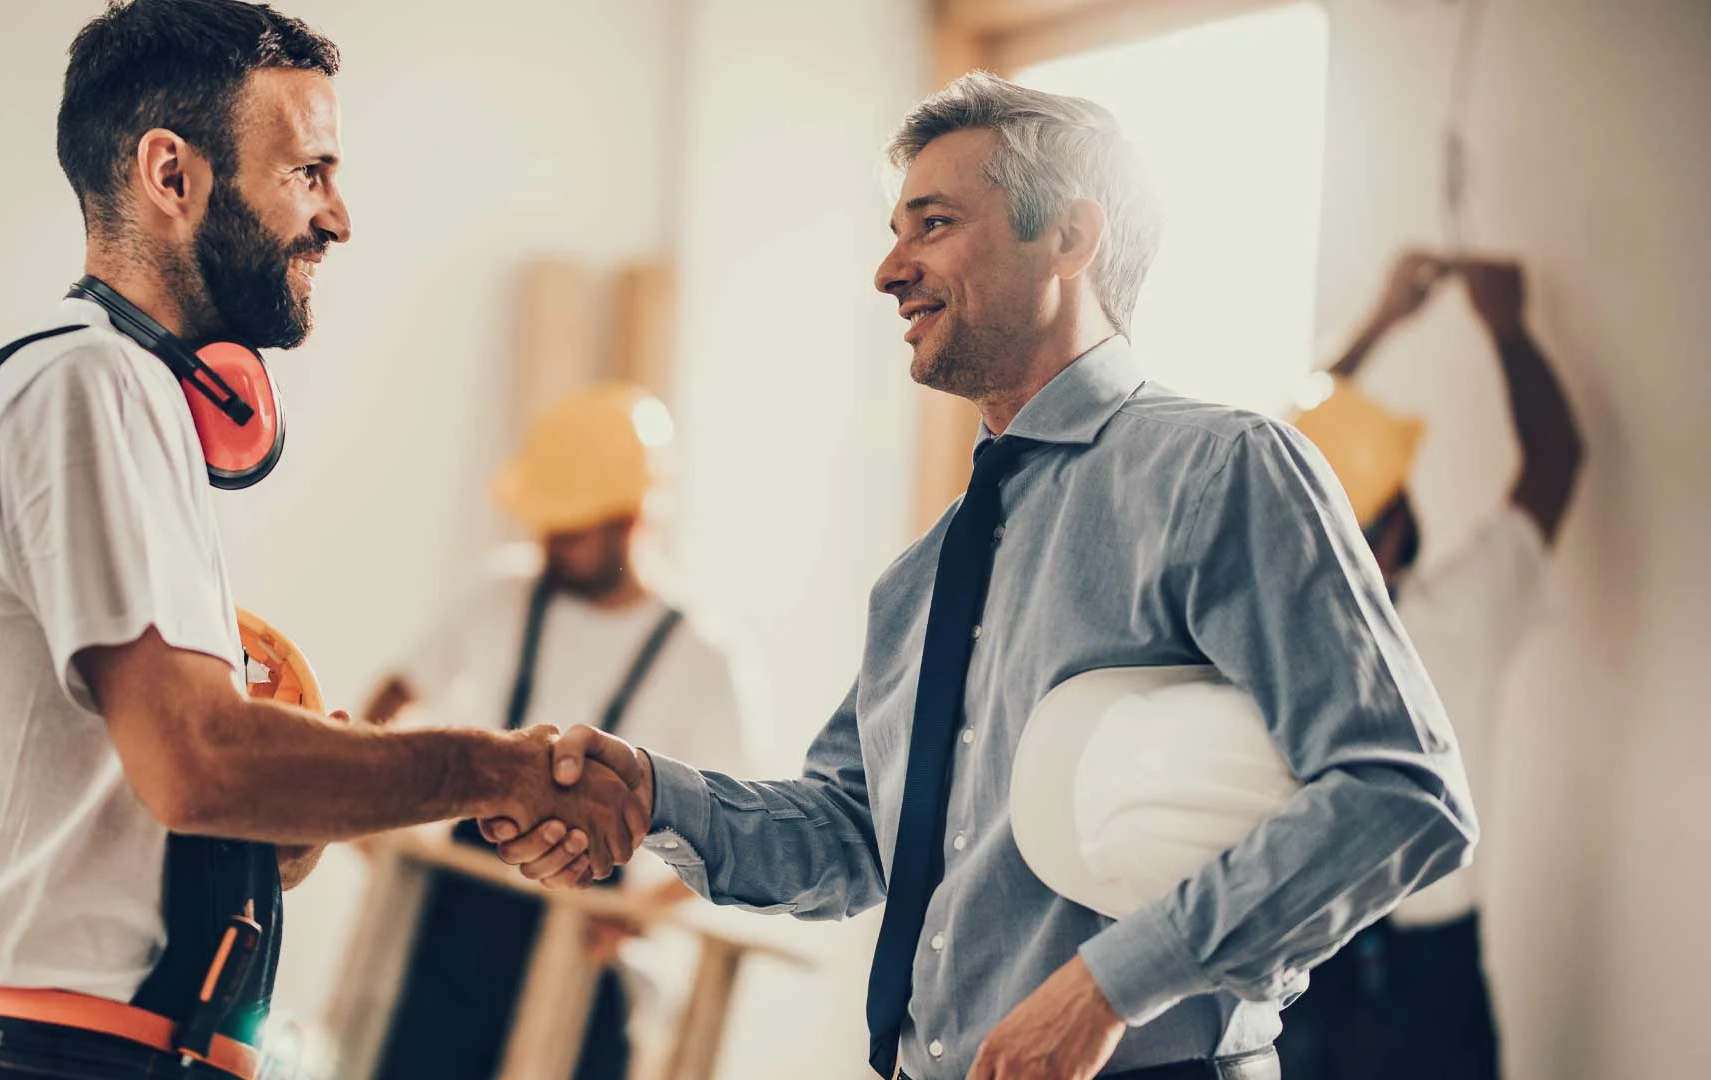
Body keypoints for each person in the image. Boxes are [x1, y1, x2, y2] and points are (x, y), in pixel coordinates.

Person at [491, 72, 1479, 1080]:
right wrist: (653, 795)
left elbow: (1400, 791)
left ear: (1070, 238)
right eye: (895, 232)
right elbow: (854, 835)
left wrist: (1108, 988)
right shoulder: (924, 575)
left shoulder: (1220, 473)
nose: (889, 270)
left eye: (934, 224)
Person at [0, 4, 642, 1078]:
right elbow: (198, 762)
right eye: (308, 173)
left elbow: (169, 789)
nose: (339, 219)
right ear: (172, 175)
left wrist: (276, 808)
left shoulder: (125, 393)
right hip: (49, 1054)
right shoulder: (89, 385)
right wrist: (493, 769)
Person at [361, 383, 752, 1080]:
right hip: (453, 941)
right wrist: (384, 823)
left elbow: (734, 832)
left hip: (582, 966)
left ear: (631, 519)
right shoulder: (498, 596)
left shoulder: (701, 657)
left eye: (570, 529)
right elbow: (387, 704)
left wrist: (635, 913)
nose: (550, 542)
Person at [1275, 252, 1585, 1080]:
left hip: (1322, 971)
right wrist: (1507, 328)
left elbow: (1277, 467)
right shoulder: (1452, 616)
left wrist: (1375, 326)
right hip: (1384, 978)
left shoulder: (1263, 626)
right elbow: (1555, 461)